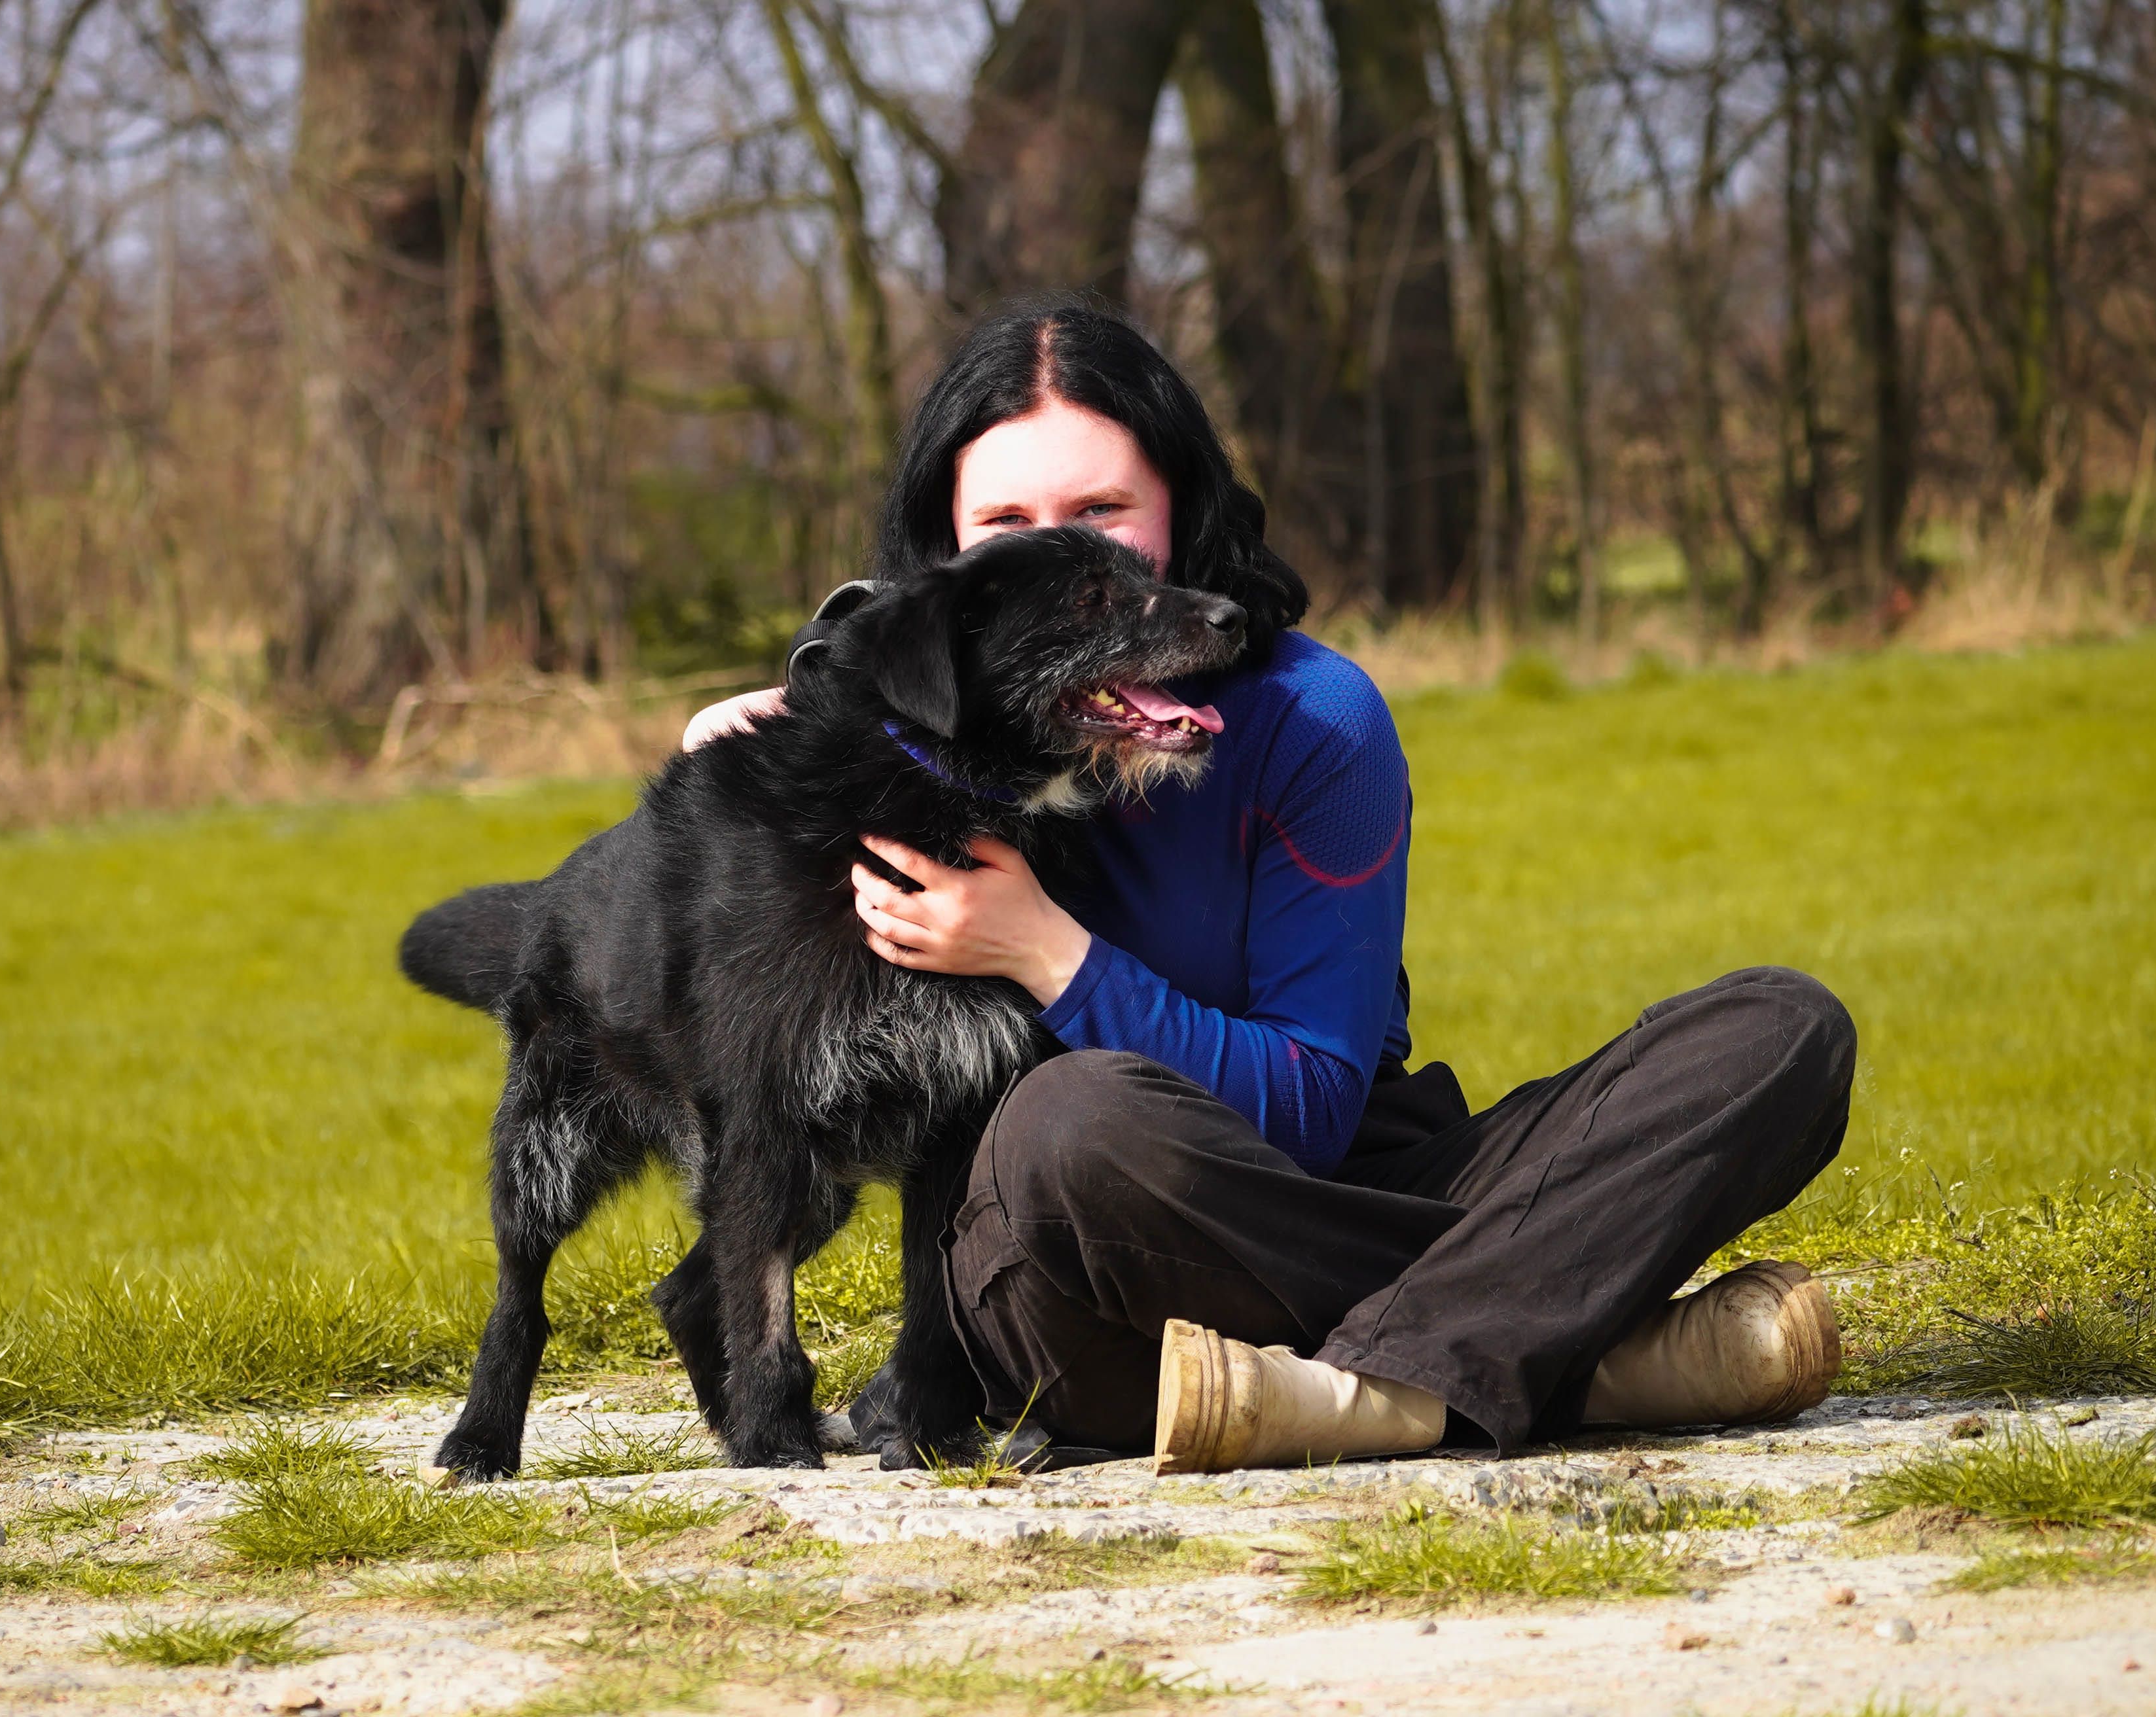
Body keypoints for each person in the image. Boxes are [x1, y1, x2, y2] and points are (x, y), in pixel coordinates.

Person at [685, 298, 1854, 1472]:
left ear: (1179, 508)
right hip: (1080, 1271)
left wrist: (1051, 954)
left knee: (1781, 1033)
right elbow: (730, 1034)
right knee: (1073, 1121)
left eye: (1103, 513)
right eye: (1005, 525)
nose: (1063, 556)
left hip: (1337, 1187)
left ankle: (1369, 1388)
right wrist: (726, 789)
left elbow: (1315, 1111)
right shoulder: (885, 747)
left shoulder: (1314, 721)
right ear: (949, 552)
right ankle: (1562, 1346)